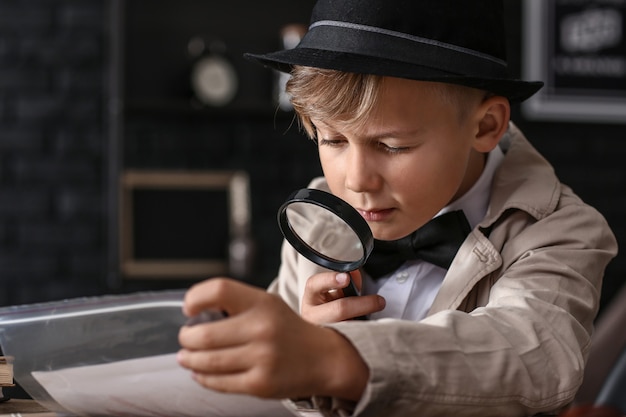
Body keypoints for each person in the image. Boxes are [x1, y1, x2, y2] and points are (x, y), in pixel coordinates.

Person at [176, 1, 618, 416]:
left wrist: (333, 358)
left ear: (485, 126)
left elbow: (532, 354)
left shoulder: (562, 230)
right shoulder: (318, 217)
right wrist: (300, 373)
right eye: (331, 140)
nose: (355, 180)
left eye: (392, 146)